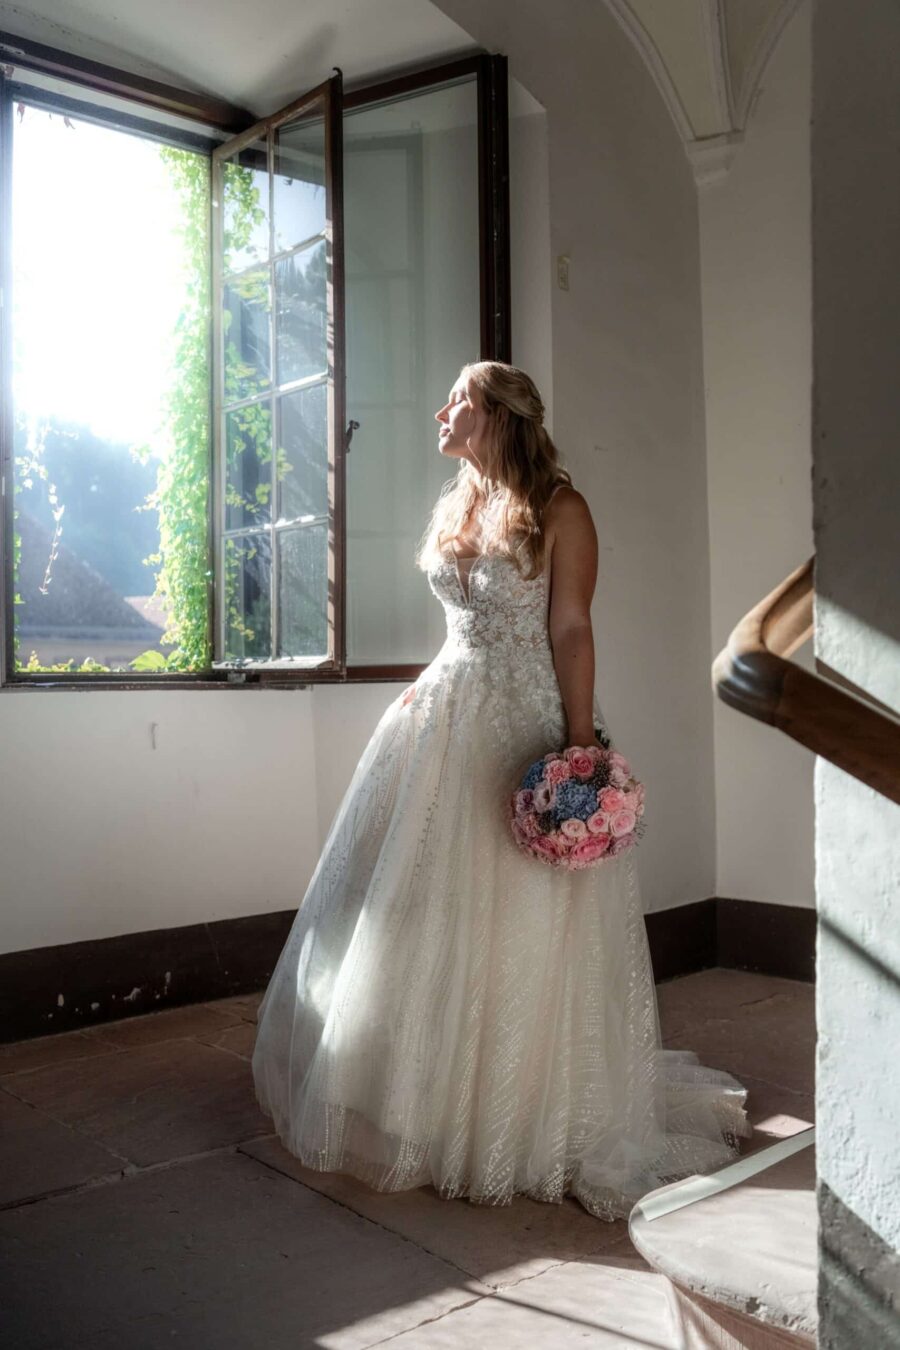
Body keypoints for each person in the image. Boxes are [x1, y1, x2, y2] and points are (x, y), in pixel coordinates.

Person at [251, 360, 751, 1220]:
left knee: (523, 910)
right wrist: (425, 685)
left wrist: (581, 745)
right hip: (444, 718)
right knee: (423, 907)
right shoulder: (460, 502)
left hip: (525, 721)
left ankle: (521, 1109)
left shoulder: (562, 508)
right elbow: (465, 626)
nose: (441, 412)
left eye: (459, 401)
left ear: (500, 415)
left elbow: (571, 627)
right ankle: (418, 1097)